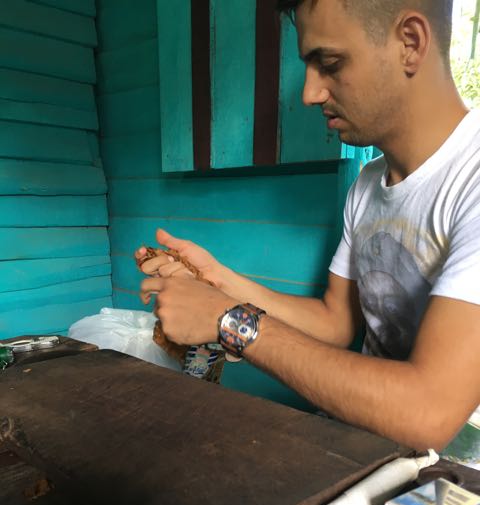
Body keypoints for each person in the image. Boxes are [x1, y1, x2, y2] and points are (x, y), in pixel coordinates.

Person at [137, 0, 480, 467]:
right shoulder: (368, 184)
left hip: (451, 485)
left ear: (410, 43)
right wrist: (218, 281)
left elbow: (428, 411)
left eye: (330, 63)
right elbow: (335, 323)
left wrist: (228, 320)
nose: (310, 93)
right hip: (364, 454)